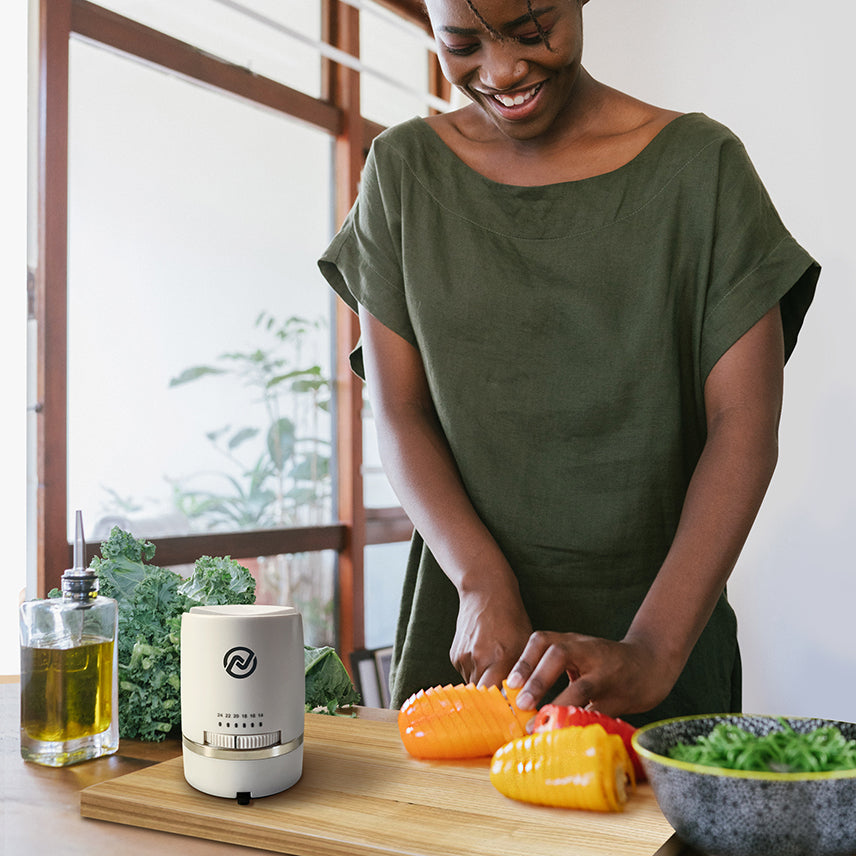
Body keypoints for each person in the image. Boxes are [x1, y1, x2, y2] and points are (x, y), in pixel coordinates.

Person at [318, 0, 819, 725]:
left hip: (661, 649)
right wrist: (482, 581)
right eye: (461, 44)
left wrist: (652, 650)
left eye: (531, 31)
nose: (502, 71)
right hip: (470, 649)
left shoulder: (703, 170)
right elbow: (398, 409)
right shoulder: (400, 173)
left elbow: (743, 423)